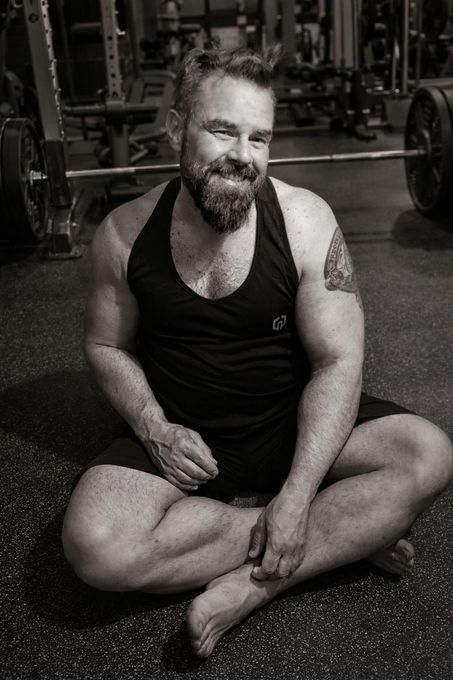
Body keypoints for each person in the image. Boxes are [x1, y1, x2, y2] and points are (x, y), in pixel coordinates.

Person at [62, 46, 453, 658]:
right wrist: (154, 426)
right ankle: (344, 535)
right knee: (96, 546)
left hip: (291, 424)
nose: (243, 155)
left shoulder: (305, 222)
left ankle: (257, 584)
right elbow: (105, 344)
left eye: (259, 138)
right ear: (176, 129)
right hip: (185, 438)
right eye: (222, 131)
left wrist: (299, 492)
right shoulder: (123, 234)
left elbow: (338, 362)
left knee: (427, 455)